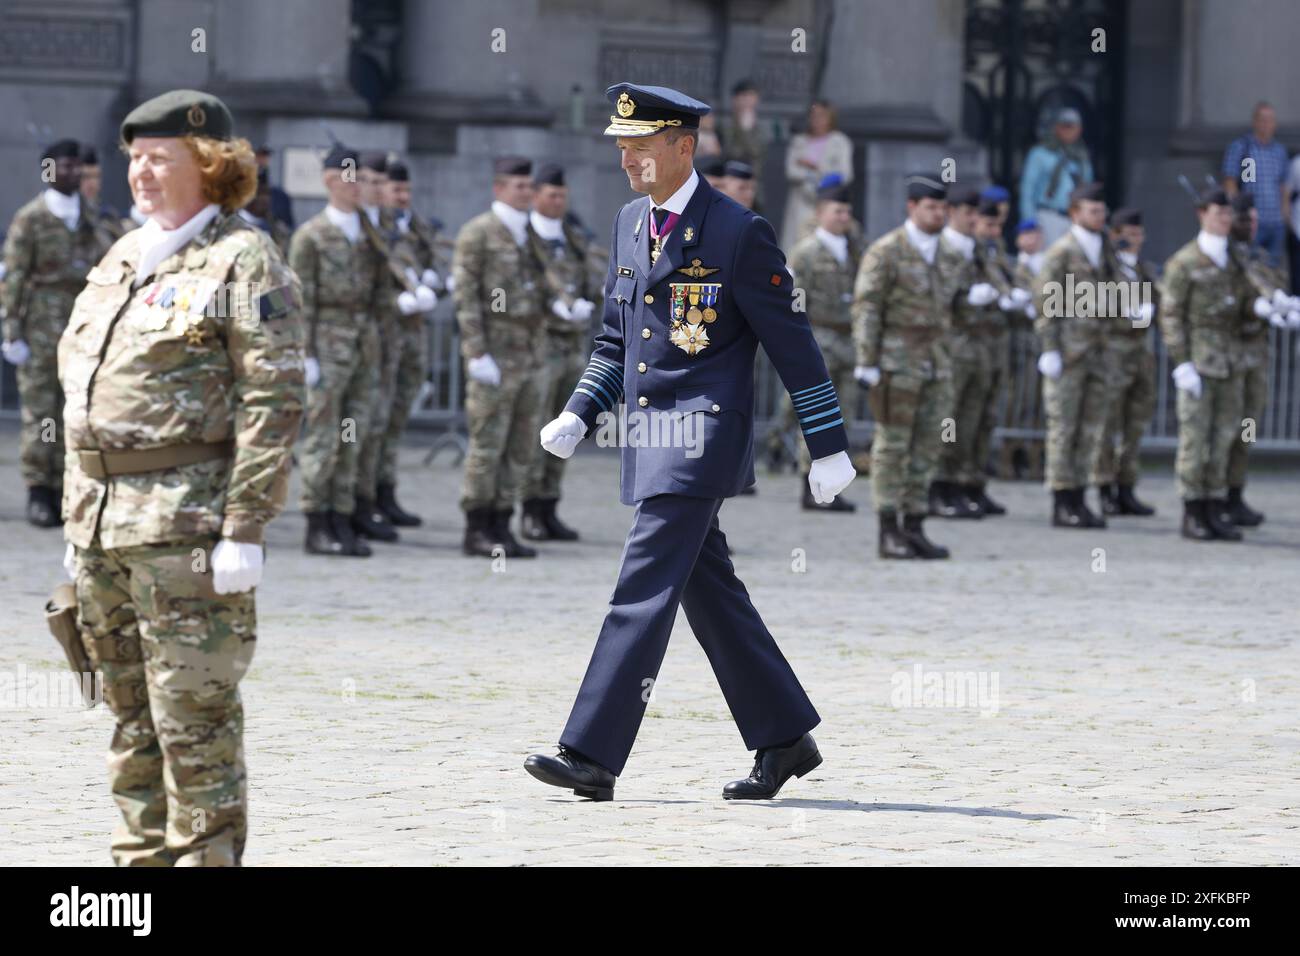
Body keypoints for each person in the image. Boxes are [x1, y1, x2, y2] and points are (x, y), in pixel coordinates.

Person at [524, 83, 854, 801]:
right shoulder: (628, 223)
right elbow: (618, 337)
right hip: (647, 434)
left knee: (641, 588)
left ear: (683, 146)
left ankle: (590, 752)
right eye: (621, 146)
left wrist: (827, 443)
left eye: (640, 147)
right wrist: (582, 409)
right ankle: (783, 735)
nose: (626, 158)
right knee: (711, 593)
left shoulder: (739, 232)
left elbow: (792, 345)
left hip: (702, 435)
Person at [58, 89, 306, 865]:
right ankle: (137, 873)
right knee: (129, 719)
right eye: (134, 157)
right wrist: (79, 519)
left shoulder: (243, 257)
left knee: (192, 725)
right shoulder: (123, 254)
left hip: (186, 532)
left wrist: (246, 527)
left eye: (159, 158)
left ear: (210, 164)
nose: (141, 172)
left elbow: (275, 396)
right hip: (102, 525)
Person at [2, 137, 110, 527]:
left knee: (75, 412)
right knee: (43, 414)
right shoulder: (31, 219)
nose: (70, 173)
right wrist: (12, 330)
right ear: (47, 171)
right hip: (41, 328)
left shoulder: (92, 218)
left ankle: (67, 486)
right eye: (62, 166)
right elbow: (14, 275)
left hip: (83, 328)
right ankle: (39, 489)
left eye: (75, 166)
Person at [852, 172, 956, 559]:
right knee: (893, 445)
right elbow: (868, 307)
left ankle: (914, 524)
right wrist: (867, 360)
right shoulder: (887, 251)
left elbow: (953, 306)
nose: (938, 214)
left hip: (937, 363)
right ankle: (887, 527)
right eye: (931, 207)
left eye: (943, 207)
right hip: (896, 363)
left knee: (928, 445)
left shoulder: (949, 254)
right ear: (912, 207)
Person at [290, 144, 385, 557]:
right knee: (325, 436)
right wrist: (305, 354)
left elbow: (381, 288)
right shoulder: (311, 236)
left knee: (354, 432)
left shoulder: (368, 232)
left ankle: (343, 515)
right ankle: (317, 519)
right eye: (352, 178)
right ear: (330, 181)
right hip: (326, 345)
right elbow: (301, 300)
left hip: (363, 342)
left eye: (362, 178)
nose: (359, 186)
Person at [452, 156, 549, 558]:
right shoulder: (478, 233)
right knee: (488, 443)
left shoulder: (531, 234)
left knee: (522, 444)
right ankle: (477, 526)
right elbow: (466, 295)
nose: (527, 193)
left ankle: (503, 522)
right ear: (499, 188)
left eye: (530, 186)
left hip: (530, 354)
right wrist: (476, 352)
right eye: (519, 186)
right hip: (495, 353)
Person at [1158, 187, 1257, 541]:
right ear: (1202, 214)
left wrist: (1260, 310)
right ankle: (1192, 510)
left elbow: (1245, 303)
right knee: (1196, 438)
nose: (1226, 220)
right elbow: (1171, 315)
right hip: (1200, 361)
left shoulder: (1234, 259)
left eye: (1229, 214)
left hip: (1230, 361)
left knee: (1225, 436)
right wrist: (1181, 362)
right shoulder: (1184, 261)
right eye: (1219, 213)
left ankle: (1215, 505)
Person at [521, 163, 599, 540]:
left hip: (571, 344)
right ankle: (528, 508)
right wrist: (548, 306)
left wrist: (587, 300)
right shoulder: (524, 238)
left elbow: (589, 277)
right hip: (538, 343)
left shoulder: (571, 237)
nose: (557, 202)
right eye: (551, 195)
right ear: (535, 195)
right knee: (538, 426)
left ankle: (549, 505)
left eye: (562, 196)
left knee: (567, 427)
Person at [1033, 182, 1116, 529]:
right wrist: (1050, 348)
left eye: (1101, 210)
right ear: (1075, 213)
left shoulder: (1106, 248)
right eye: (1091, 210)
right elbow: (1046, 302)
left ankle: (1080, 495)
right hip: (1068, 352)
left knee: (1090, 427)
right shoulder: (1062, 253)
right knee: (1064, 428)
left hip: (1099, 351)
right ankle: (1061, 499)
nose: (1099, 216)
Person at [374, 158, 447, 528]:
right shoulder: (376, 227)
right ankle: (365, 494)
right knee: (377, 414)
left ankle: (386, 490)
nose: (402, 197)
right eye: (395, 190)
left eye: (406, 190)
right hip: (384, 331)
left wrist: (435, 280)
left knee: (399, 412)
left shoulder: (416, 225)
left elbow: (434, 261)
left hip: (413, 331)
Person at [931, 188, 1009, 519]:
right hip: (951, 345)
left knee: (972, 419)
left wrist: (1007, 295)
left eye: (976, 213)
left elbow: (998, 279)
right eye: (967, 212)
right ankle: (937, 487)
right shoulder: (940, 247)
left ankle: (963, 484)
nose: (973, 219)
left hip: (979, 346)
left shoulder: (978, 249)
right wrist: (965, 297)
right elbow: (935, 296)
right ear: (952, 212)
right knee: (946, 418)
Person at [784, 179, 860, 511]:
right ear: (820, 213)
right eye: (837, 210)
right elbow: (794, 300)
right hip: (820, 338)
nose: (843, 217)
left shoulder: (856, 248)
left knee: (846, 415)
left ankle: (833, 484)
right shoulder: (807, 252)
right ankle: (810, 486)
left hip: (848, 338)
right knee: (817, 416)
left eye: (847, 211)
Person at [1225, 191, 1295, 525]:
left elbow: (1271, 283)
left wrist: (1281, 304)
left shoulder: (1256, 256)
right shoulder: (1223, 258)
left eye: (1253, 219)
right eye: (1243, 219)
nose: (1250, 225)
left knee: (1247, 429)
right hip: (1226, 359)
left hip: (1255, 359)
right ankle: (1211, 497)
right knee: (1224, 429)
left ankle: (1234, 492)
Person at [1094, 207, 1158, 517]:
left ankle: (1126, 486)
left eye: (1138, 234)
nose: (1135, 240)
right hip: (1114, 352)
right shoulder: (1106, 268)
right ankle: (1105, 488)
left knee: (1135, 424)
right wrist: (1125, 312)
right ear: (1115, 236)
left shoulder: (1143, 269)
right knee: (1108, 424)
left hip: (1140, 353)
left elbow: (1161, 300)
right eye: (1128, 234)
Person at [1222, 102, 1288, 270]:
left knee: (1273, 272)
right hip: (1251, 222)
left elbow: (1283, 185)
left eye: (1270, 120)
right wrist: (1238, 213)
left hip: (1275, 222)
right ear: (1255, 122)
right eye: (1262, 119)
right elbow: (1230, 181)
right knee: (1248, 268)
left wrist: (1284, 213)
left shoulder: (1279, 151)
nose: (1266, 124)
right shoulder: (1243, 147)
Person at [780, 100, 853, 251]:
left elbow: (845, 174)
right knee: (797, 244)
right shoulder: (799, 141)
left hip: (827, 202)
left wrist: (814, 167)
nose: (817, 120)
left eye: (822, 116)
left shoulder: (840, 141)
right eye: (814, 115)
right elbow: (791, 171)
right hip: (801, 202)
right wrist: (809, 174)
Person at [1019, 107, 1093, 247]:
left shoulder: (1082, 157)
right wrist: (1029, 224)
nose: (1068, 131)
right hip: (1048, 216)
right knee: (1047, 263)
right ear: (1056, 127)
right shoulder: (1040, 153)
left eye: (1072, 127)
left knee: (1071, 266)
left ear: (1079, 129)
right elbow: (1027, 190)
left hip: (1074, 218)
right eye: (1064, 126)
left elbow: (1087, 189)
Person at [716, 79, 769, 211]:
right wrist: (742, 130)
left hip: (753, 190)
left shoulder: (762, 128)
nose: (747, 101)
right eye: (743, 96)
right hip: (728, 188)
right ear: (735, 99)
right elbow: (730, 153)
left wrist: (747, 131)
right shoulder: (725, 126)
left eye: (751, 96)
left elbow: (757, 152)